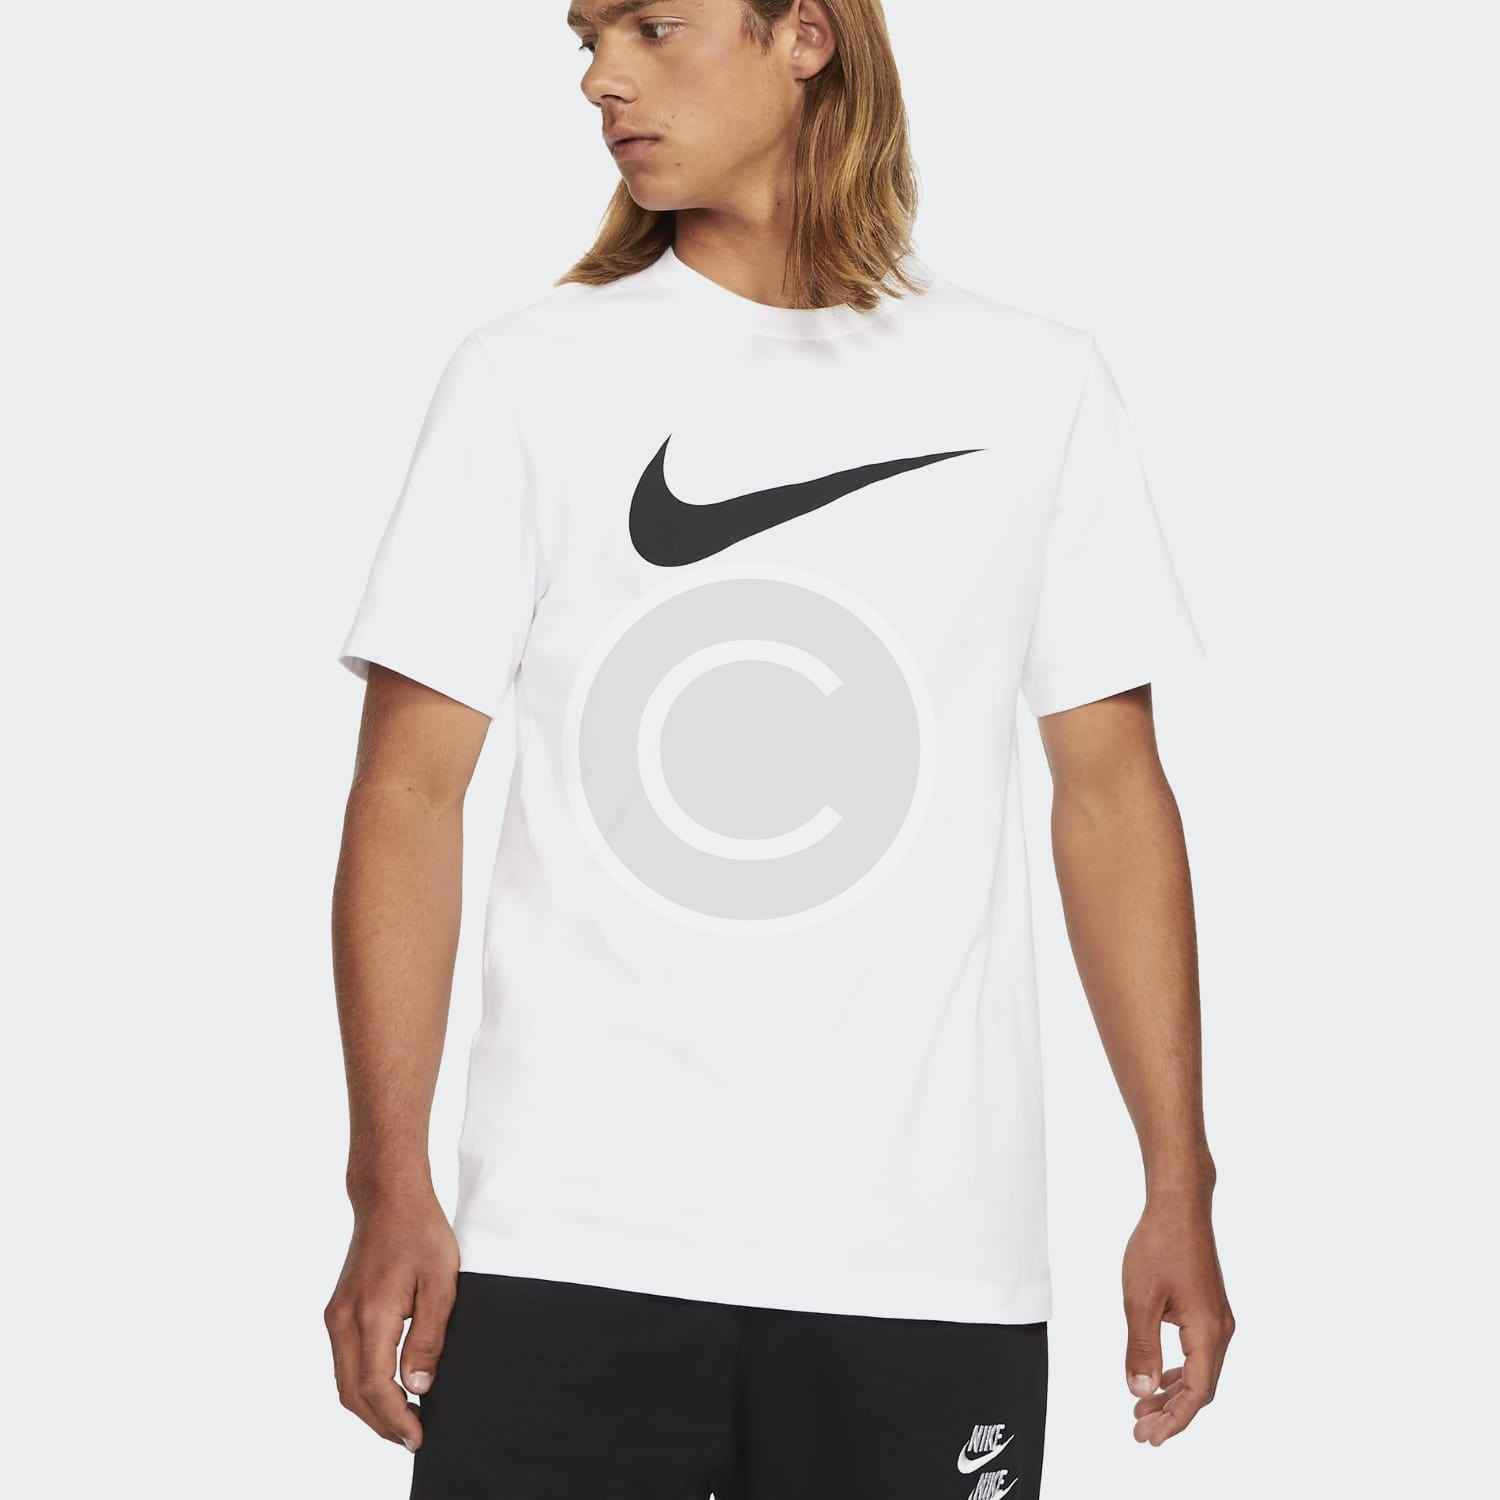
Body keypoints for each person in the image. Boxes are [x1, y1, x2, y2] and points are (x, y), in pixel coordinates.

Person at [324, 2, 1234, 1496]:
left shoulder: (1034, 383)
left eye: (652, 26)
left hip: (928, 1257)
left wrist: (1178, 1184)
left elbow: (1112, 796)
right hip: (567, 1240)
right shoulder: (529, 376)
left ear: (805, 34)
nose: (600, 77)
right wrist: (388, 1183)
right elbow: (409, 794)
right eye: (586, 38)